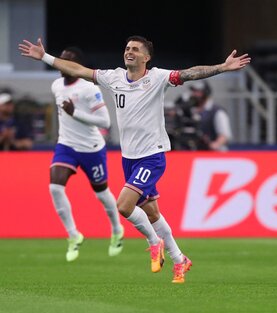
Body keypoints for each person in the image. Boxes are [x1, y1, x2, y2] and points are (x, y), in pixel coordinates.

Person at [19, 36, 250, 282]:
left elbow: (190, 73)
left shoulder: (158, 77)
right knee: (152, 214)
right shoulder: (114, 77)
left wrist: (222, 68)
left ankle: (154, 243)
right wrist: (45, 57)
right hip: (129, 158)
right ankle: (180, 260)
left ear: (146, 57)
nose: (129, 52)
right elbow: (78, 69)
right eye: (127, 48)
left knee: (124, 206)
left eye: (136, 49)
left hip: (152, 156)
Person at [48, 47, 124, 262]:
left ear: (77, 66)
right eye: (60, 60)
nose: (62, 64)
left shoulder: (89, 88)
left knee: (101, 193)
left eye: (67, 61)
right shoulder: (56, 85)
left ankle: (117, 229)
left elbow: (105, 122)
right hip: (66, 146)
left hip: (91, 148)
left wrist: (76, 113)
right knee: (55, 187)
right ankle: (74, 235)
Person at [190, 81, 233, 151]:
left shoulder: (217, 112)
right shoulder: (192, 110)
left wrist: (214, 145)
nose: (194, 94)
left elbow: (224, 135)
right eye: (194, 91)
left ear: (205, 93)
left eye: (198, 91)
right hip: (197, 151)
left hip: (214, 154)